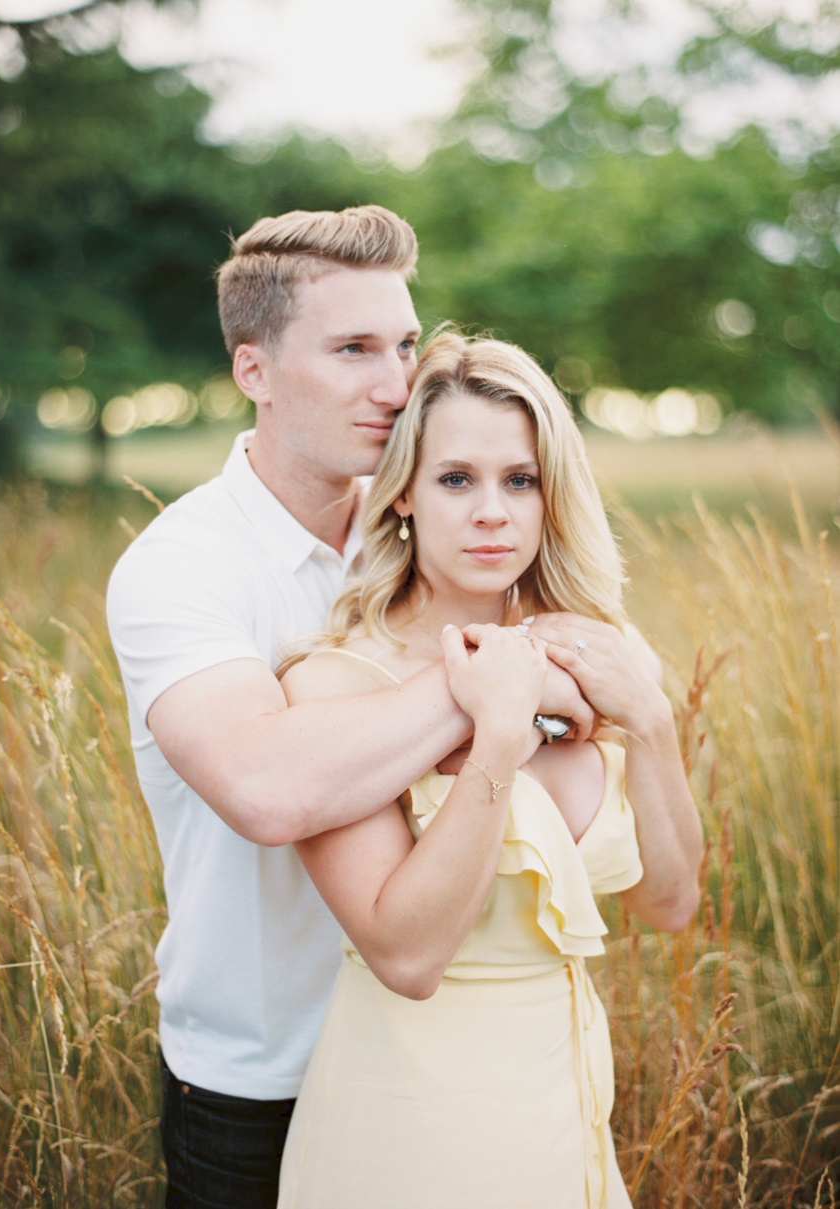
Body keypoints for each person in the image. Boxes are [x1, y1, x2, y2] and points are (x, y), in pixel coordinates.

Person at [106, 206, 597, 1208]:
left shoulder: (433, 521)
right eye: (353, 350)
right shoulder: (182, 568)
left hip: (442, 1068)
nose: (397, 383)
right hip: (267, 1082)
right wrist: (502, 681)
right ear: (255, 372)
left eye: (406, 344)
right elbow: (267, 791)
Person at [275, 332, 703, 1209]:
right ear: (400, 495)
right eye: (456, 478)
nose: (492, 512)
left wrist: (651, 721)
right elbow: (407, 954)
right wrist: (500, 735)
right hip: (408, 1122)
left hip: (563, 1108)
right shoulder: (333, 683)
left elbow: (671, 903)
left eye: (521, 479)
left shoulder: (599, 650)